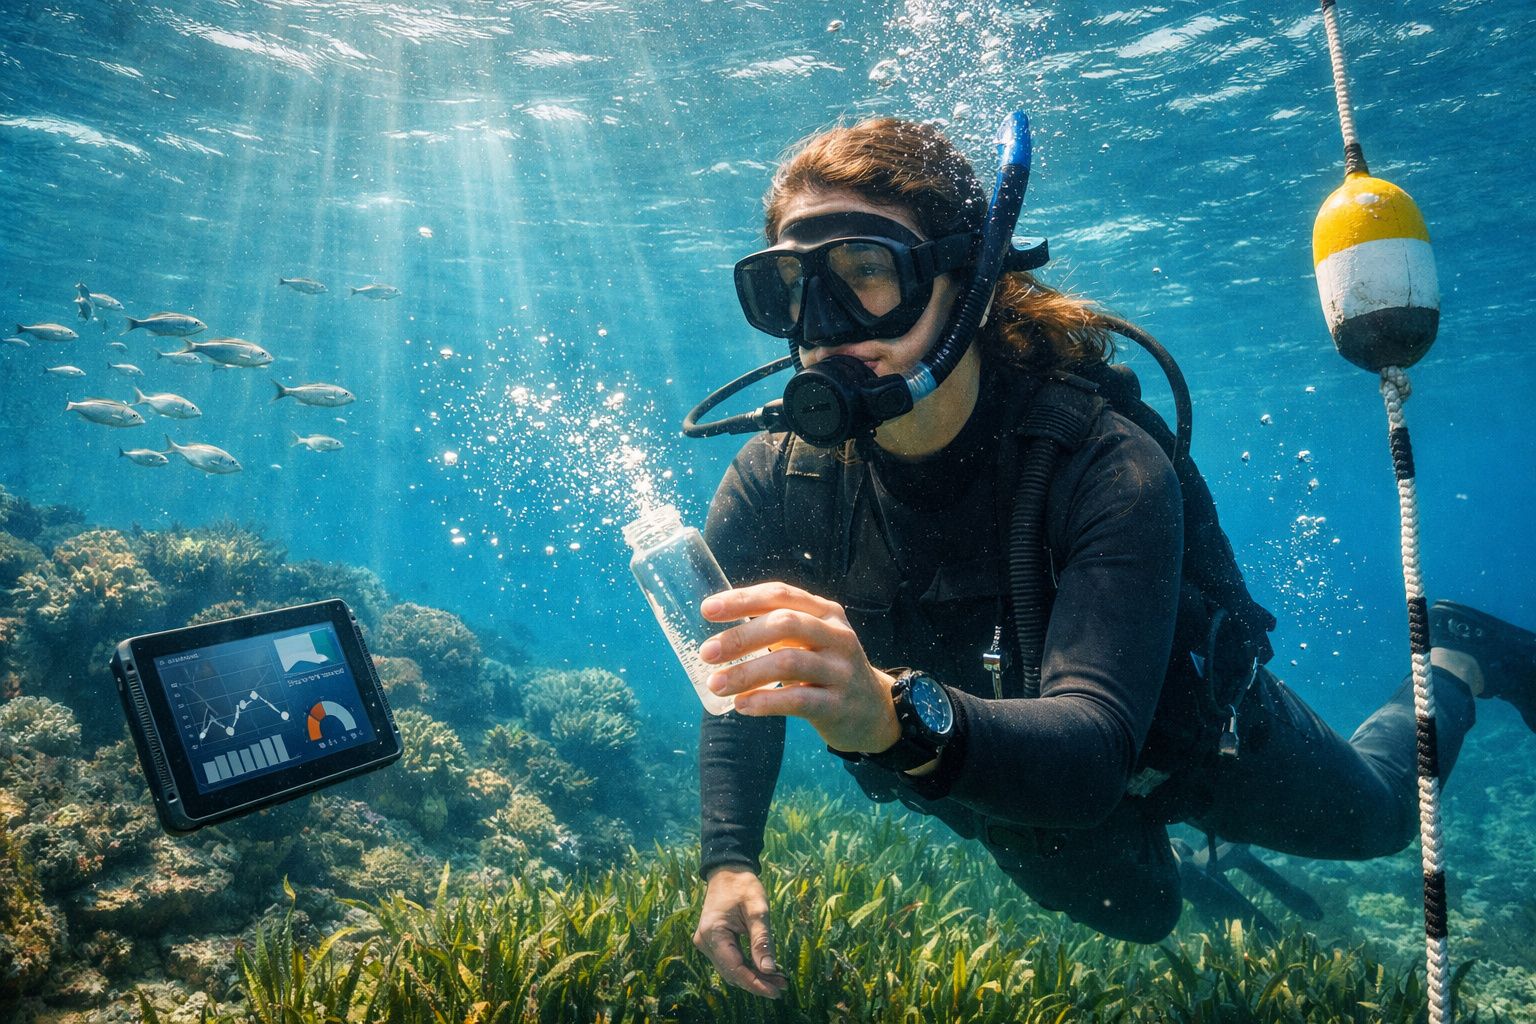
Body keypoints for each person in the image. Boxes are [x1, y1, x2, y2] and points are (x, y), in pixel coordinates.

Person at [688, 116, 1536, 1000]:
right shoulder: (778, 481)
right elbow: (739, 676)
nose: (824, 328)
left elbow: (1094, 746)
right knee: (1141, 914)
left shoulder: (1103, 460)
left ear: (966, 283)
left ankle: (1455, 658)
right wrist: (729, 858)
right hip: (1005, 767)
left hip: (1197, 738)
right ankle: (1169, 854)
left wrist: (893, 715)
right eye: (790, 287)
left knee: (1387, 818)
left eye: (867, 273)